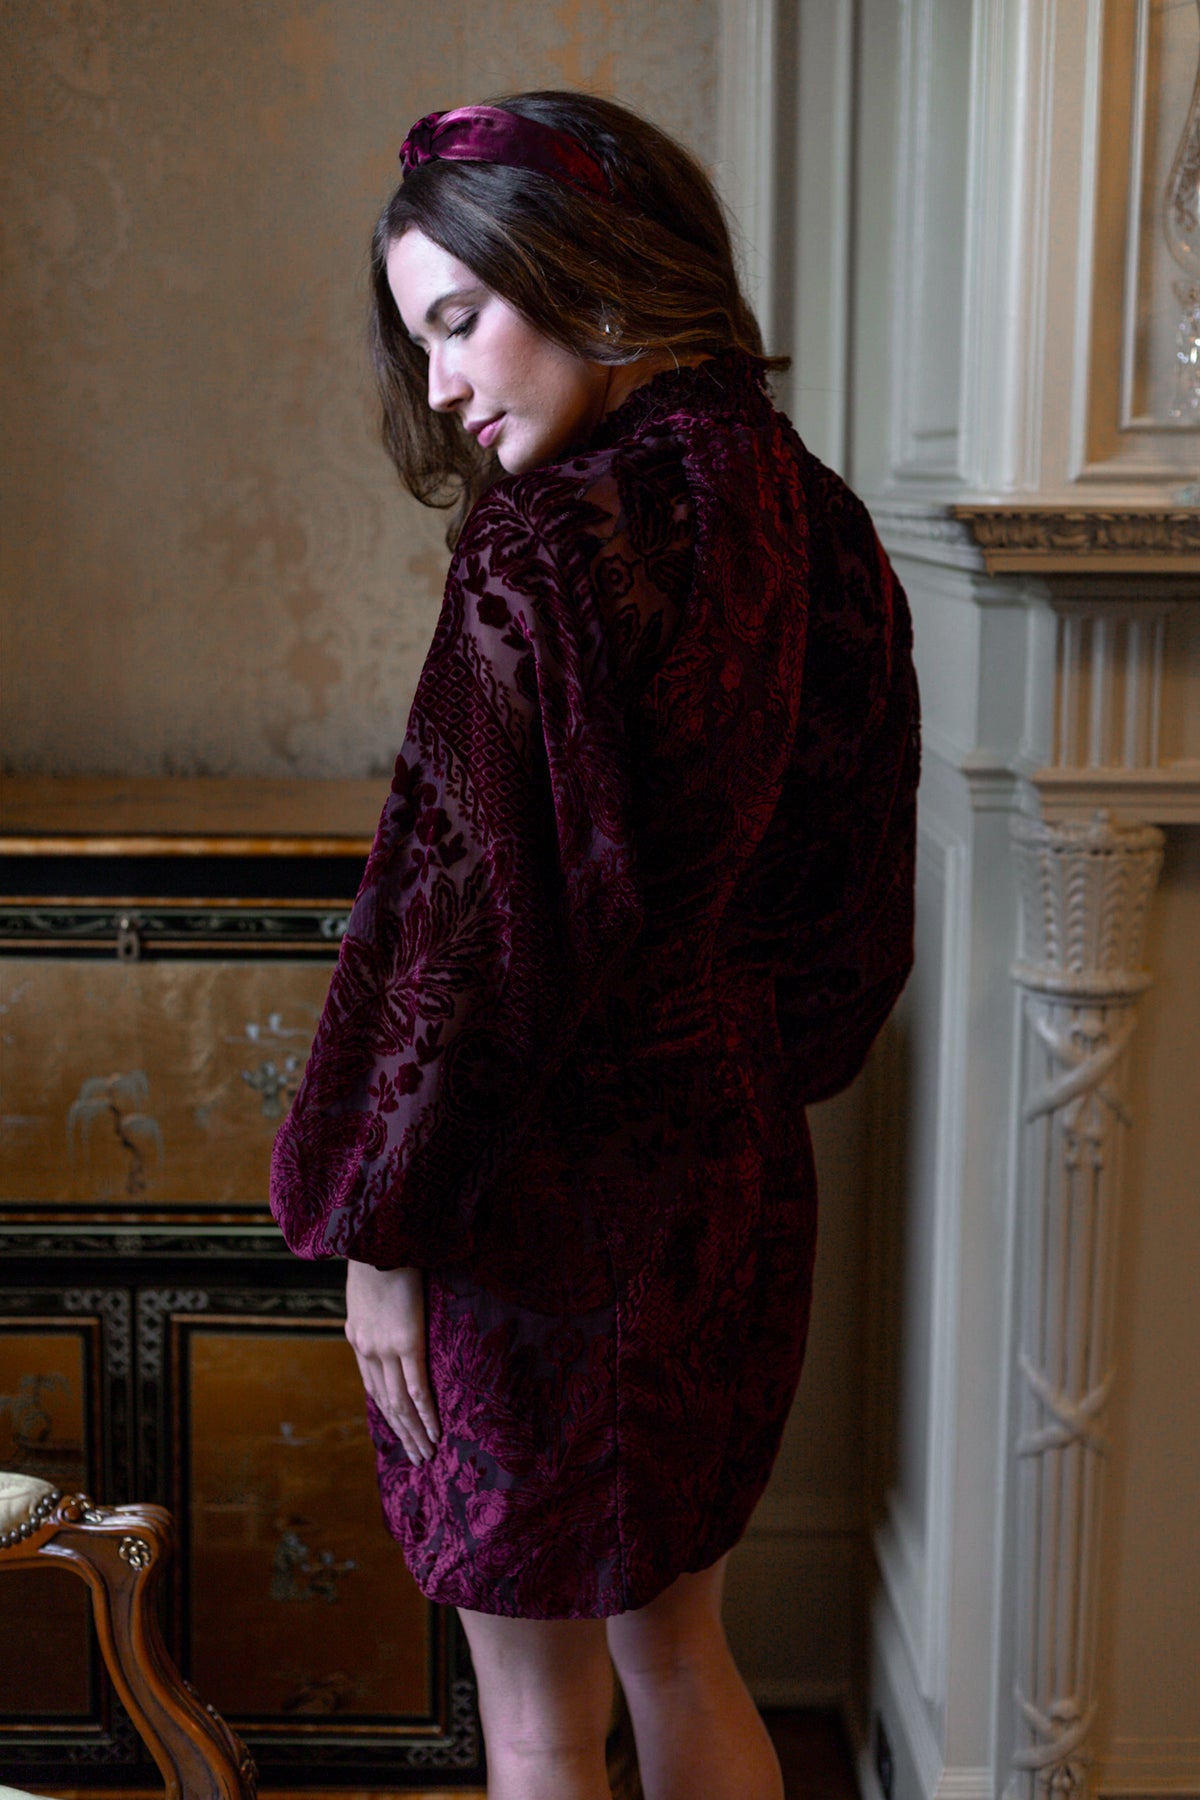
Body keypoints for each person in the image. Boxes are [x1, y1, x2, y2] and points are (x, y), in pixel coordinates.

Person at [270, 89, 919, 1800]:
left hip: (537, 1216)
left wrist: (383, 1230)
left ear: (583, 264)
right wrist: (737, 1070)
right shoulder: (822, 520)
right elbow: (856, 906)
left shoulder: (552, 546)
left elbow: (467, 936)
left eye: (460, 318)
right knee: (686, 1656)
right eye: (422, 341)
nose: (441, 386)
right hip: (730, 1181)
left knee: (541, 1727)